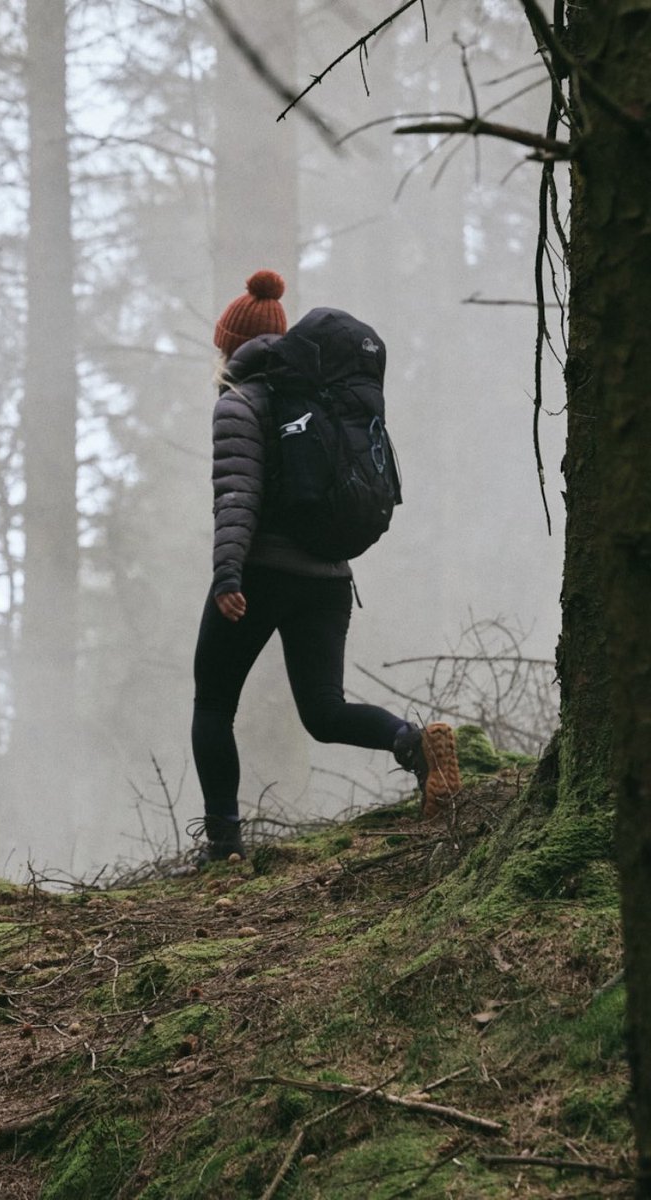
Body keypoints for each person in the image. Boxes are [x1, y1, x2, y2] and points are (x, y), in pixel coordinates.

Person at [191, 269, 461, 862]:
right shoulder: (322, 397)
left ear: (231, 344)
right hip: (329, 578)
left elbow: (236, 494)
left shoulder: (240, 402)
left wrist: (228, 574)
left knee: (213, 703)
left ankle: (224, 846)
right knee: (324, 709)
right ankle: (413, 743)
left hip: (262, 574)